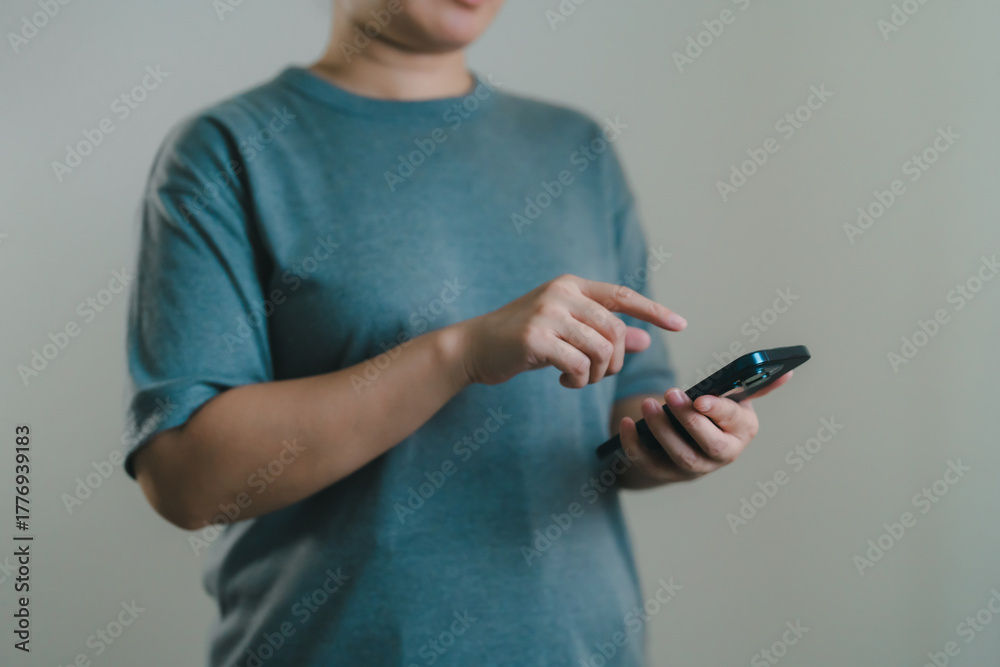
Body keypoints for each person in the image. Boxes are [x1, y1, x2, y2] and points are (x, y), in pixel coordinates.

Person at [124, 0, 792, 664]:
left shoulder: (574, 148)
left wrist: (677, 440)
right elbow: (184, 478)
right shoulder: (226, 151)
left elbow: (623, 411)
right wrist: (460, 354)